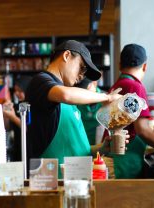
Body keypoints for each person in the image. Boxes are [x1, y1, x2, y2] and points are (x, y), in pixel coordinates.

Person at [25, 40, 122, 177]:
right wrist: (107, 97)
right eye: (81, 67)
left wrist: (100, 148)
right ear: (66, 55)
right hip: (50, 181)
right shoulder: (42, 81)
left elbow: (75, 147)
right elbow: (66, 95)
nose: (82, 75)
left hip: (74, 180)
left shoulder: (65, 94)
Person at [105, 43, 154, 179]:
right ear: (145, 66)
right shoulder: (135, 87)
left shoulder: (117, 86)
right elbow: (142, 129)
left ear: (119, 65)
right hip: (125, 163)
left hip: (112, 159)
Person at [3, 75, 32, 161]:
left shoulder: (33, 106)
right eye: (16, 90)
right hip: (17, 148)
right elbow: (7, 127)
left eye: (20, 91)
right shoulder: (17, 106)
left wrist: (13, 117)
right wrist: (6, 114)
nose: (16, 93)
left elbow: (28, 129)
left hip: (29, 150)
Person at [76, 78, 104, 145]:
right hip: (82, 146)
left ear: (94, 83)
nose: (83, 93)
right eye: (80, 90)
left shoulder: (106, 101)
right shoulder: (76, 101)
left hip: (101, 146)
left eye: (86, 89)